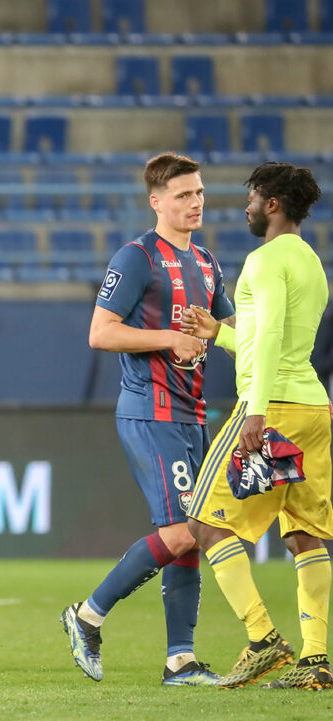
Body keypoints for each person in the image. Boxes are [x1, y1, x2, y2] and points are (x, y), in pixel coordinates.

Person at [61, 152, 235, 686]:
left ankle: (180, 659)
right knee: (185, 530)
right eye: (183, 195)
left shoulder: (205, 263)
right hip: (150, 410)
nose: (195, 202)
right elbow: (100, 332)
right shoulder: (136, 257)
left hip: (193, 414)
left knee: (191, 533)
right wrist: (169, 337)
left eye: (200, 192)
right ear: (156, 201)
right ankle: (87, 614)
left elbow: (231, 331)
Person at [181, 162, 333, 690]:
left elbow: (267, 336)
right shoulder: (312, 262)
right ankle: (316, 659)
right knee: (306, 535)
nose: (246, 206)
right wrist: (219, 335)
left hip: (275, 408)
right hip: (314, 407)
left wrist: (256, 410)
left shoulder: (265, 259)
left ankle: (264, 639)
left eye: (251, 197)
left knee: (205, 521)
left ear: (272, 203)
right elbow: (280, 339)